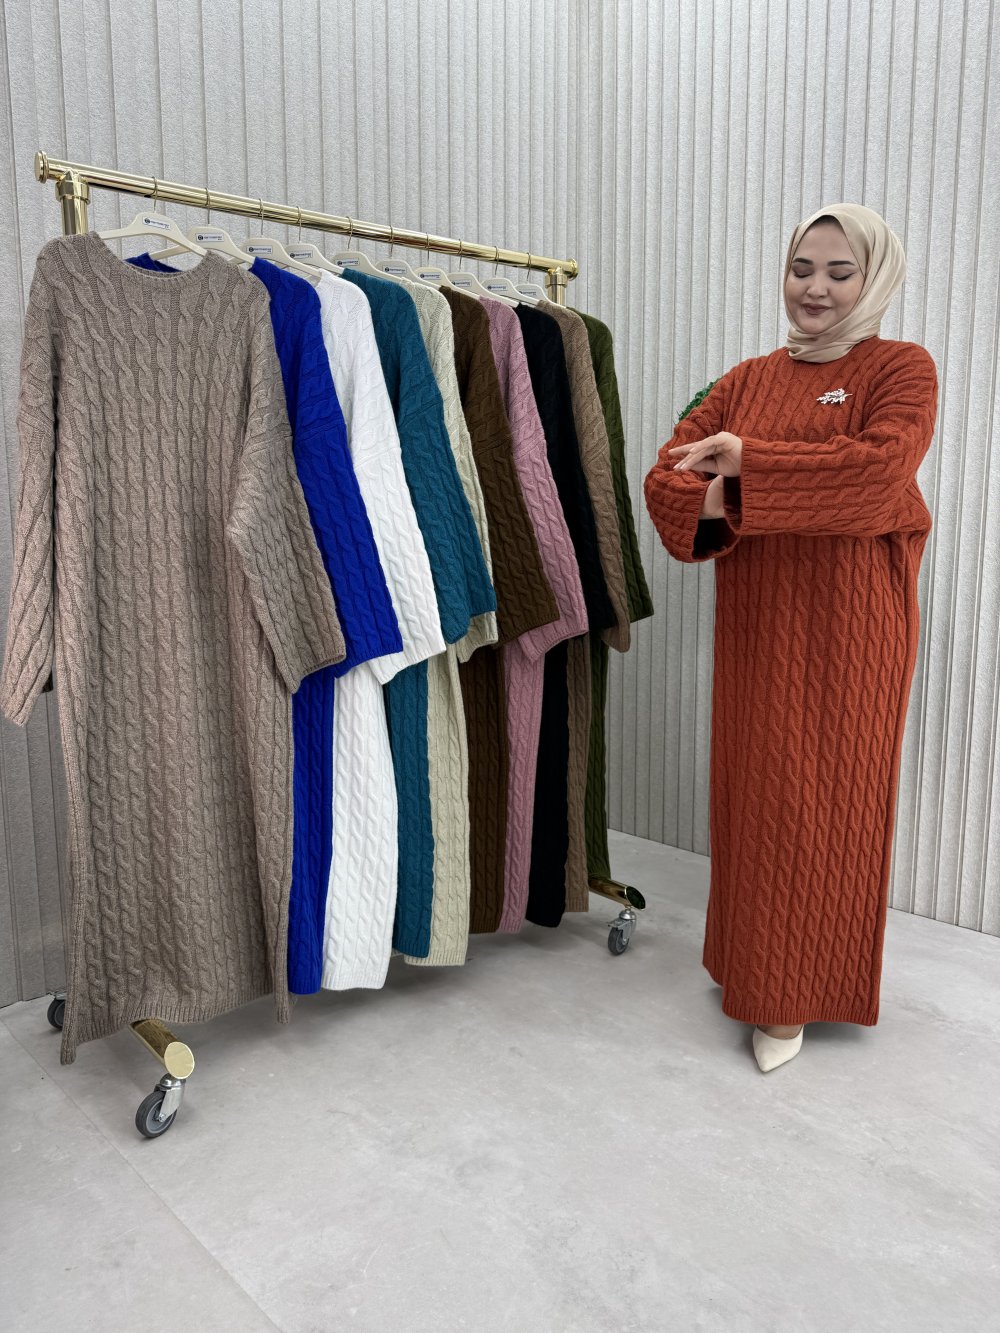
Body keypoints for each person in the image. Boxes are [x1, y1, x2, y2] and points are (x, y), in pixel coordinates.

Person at [643, 203, 938, 1072]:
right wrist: (736, 487)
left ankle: (795, 996)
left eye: (840, 273)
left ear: (873, 280)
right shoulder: (744, 379)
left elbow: (877, 476)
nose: (815, 288)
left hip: (854, 629)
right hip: (758, 623)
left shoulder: (900, 369)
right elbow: (665, 474)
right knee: (756, 801)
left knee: (830, 803)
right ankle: (751, 968)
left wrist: (746, 466)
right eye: (801, 268)